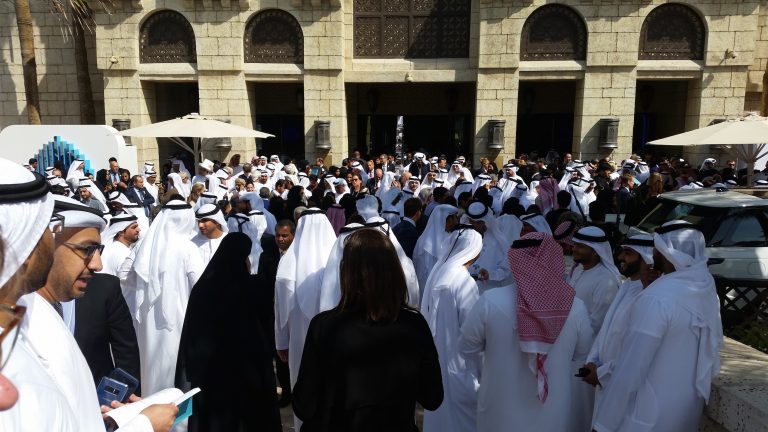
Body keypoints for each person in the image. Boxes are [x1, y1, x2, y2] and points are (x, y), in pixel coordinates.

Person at [293, 229, 443, 431]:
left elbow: (304, 406)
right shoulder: (414, 325)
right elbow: (432, 397)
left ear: (346, 273)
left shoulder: (324, 326)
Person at [593, 221, 723, 431]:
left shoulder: (657, 298)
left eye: (656, 247)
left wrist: (603, 424)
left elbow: (631, 369)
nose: (653, 253)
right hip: (685, 411)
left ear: (665, 249)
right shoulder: (706, 289)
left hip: (647, 415)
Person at [459, 233, 593, 432]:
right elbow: (582, 353)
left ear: (516, 261)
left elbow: (467, 347)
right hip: (552, 414)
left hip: (499, 412)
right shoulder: (576, 306)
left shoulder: (490, 301)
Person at [176, 233, 281, 432]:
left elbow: (192, 335)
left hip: (212, 376)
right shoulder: (255, 287)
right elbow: (267, 328)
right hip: (250, 373)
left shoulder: (202, 290)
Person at [125, 199, 204, 395]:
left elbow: (124, 274)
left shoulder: (144, 244)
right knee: (174, 370)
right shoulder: (188, 247)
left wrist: (146, 287)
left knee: (151, 367)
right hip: (180, 319)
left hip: (147, 321)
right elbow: (200, 286)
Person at [274, 208, 337, 429]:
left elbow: (280, 309)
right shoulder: (338, 261)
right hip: (333, 340)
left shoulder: (288, 262)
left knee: (303, 386)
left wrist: (281, 342)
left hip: (300, 340)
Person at [582, 235, 654, 414]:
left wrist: (603, 374)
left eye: (628, 253)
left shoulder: (650, 296)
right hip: (604, 379)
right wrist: (592, 362)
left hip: (623, 386)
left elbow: (637, 351)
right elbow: (606, 330)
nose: (621, 257)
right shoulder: (627, 286)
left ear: (646, 258)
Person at [421, 226, 482, 432]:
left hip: (438, 360)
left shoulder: (438, 273)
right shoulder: (464, 281)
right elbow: (473, 331)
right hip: (462, 363)